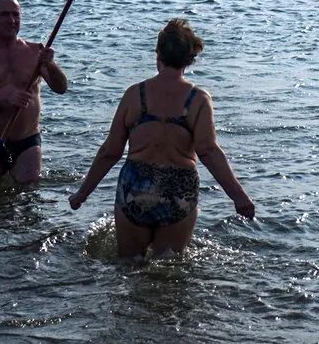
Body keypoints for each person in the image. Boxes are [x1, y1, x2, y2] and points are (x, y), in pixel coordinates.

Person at [69, 18, 254, 258]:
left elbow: (110, 151)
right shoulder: (198, 99)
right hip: (178, 189)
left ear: (158, 54)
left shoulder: (135, 94)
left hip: (135, 186)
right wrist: (238, 196)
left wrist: (82, 194)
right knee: (168, 269)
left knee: (128, 265)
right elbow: (208, 151)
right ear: (190, 58)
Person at [0, 0, 68, 183]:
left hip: (27, 139)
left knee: (30, 195)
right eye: (4, 15)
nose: (11, 20)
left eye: (15, 15)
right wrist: (5, 101)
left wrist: (51, 64)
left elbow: (61, 88)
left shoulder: (35, 51)